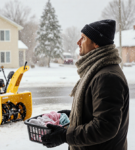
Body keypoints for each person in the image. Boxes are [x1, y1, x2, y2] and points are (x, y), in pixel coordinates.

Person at [41, 19, 129, 150]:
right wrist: (73, 114)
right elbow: (98, 113)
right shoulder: (98, 70)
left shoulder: (107, 77)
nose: (78, 42)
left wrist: (65, 136)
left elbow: (105, 127)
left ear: (96, 44)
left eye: (83, 38)